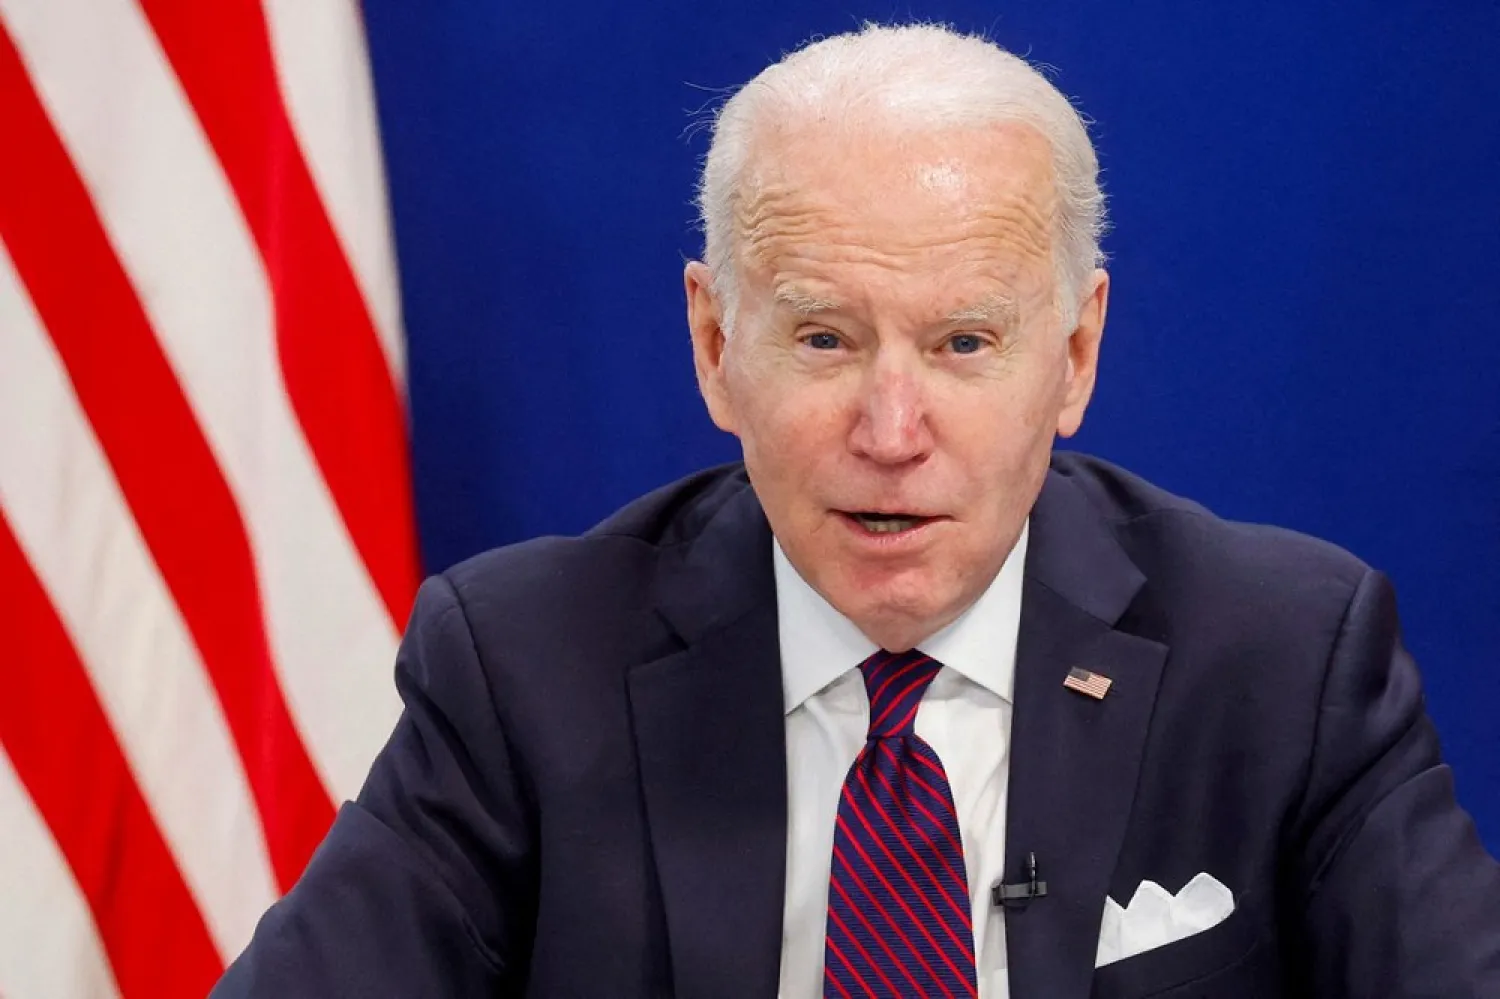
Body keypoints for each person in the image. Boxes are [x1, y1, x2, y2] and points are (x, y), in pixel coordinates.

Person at [213, 22, 1500, 998]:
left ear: (1076, 355)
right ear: (716, 345)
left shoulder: (1282, 656)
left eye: (962, 343)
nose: (891, 434)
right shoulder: (526, 666)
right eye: (824, 339)